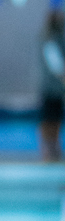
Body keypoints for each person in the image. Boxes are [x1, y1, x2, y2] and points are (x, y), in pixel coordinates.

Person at [40, 9, 65, 161]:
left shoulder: (56, 39)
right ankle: (49, 149)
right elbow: (57, 68)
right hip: (51, 89)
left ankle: (52, 149)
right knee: (50, 119)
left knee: (55, 119)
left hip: (55, 89)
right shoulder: (50, 41)